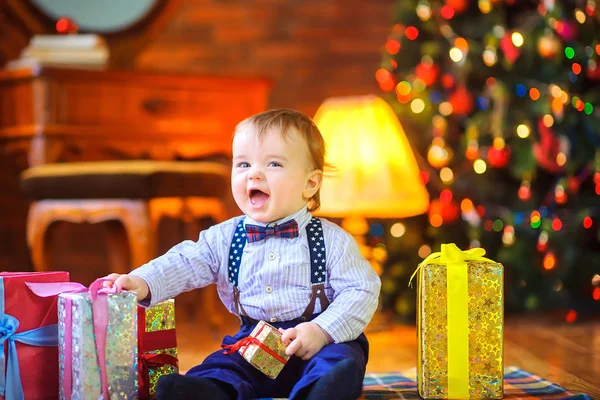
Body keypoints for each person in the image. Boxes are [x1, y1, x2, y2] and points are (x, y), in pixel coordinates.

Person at [104, 108, 381, 400]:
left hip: (317, 340)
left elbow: (361, 289)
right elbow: (185, 262)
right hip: (254, 342)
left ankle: (322, 391)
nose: (255, 173)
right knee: (225, 366)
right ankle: (207, 391)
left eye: (274, 164)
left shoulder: (332, 240)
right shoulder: (225, 238)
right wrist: (143, 280)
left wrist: (323, 330)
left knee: (338, 359)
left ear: (310, 183)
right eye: (243, 164)